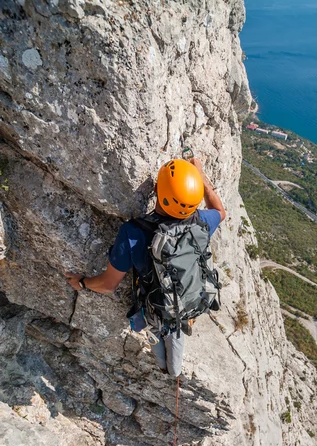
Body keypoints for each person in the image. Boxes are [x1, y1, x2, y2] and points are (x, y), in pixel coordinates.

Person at [66, 158, 225, 377]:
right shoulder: (202, 221)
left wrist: (81, 282)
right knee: (174, 334)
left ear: (158, 190)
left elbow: (107, 285)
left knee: (156, 333)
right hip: (188, 299)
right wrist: (202, 179)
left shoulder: (133, 232)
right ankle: (172, 371)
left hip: (156, 307)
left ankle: (165, 367)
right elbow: (220, 211)